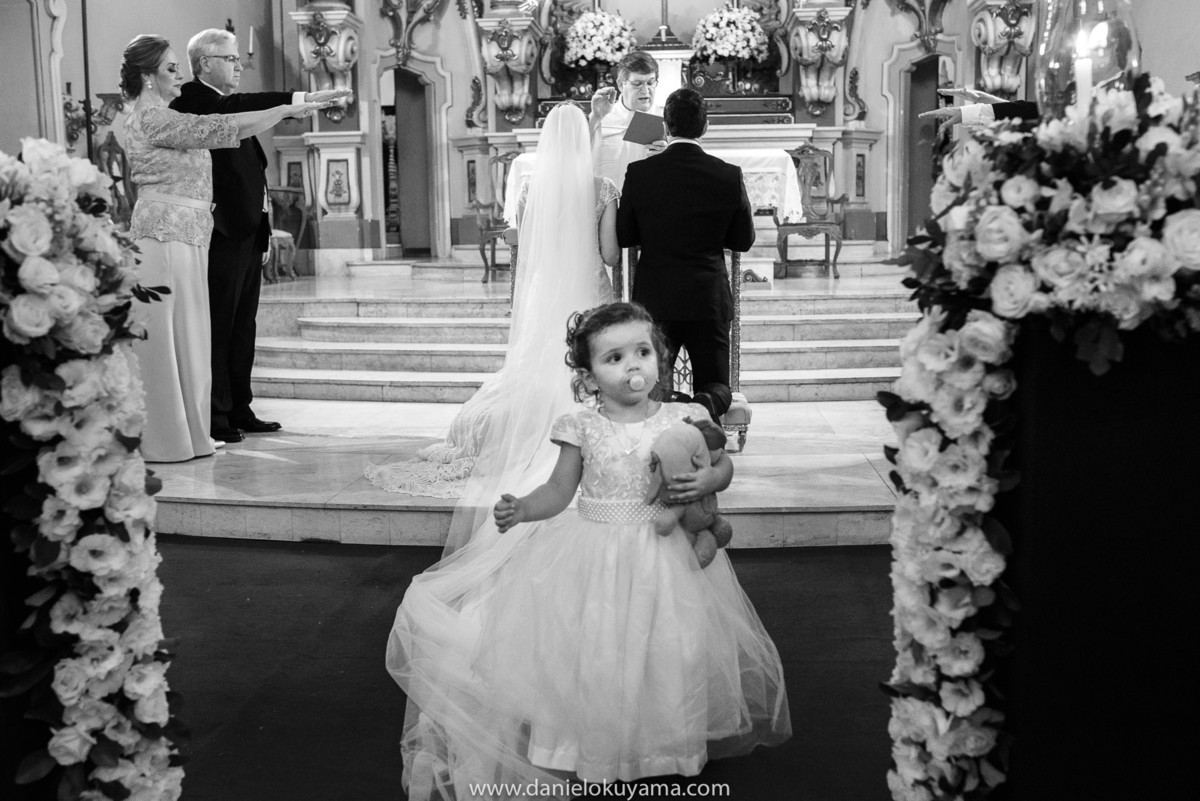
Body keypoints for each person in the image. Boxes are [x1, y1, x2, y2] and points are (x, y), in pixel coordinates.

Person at [386, 302, 790, 800]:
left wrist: (710, 477)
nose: (632, 366)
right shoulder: (580, 425)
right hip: (594, 554)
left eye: (642, 352)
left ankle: (665, 744)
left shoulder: (684, 416)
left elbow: (720, 465)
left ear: (661, 359)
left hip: (666, 557)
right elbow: (559, 491)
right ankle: (591, 744)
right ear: (590, 375)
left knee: (668, 644)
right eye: (613, 358)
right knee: (596, 649)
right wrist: (522, 509)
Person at [365, 103, 619, 546]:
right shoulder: (603, 188)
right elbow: (611, 254)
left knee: (545, 360)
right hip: (590, 292)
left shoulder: (528, 192)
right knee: (590, 363)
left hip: (544, 292)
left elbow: (523, 253)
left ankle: (539, 432)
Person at [120, 34, 322, 462]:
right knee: (172, 338)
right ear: (148, 77)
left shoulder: (160, 113)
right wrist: (285, 109)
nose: (179, 76)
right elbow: (223, 127)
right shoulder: (153, 118)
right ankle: (166, 437)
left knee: (191, 337)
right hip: (164, 236)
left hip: (189, 236)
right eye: (172, 69)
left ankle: (192, 432)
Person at [169, 29, 350, 444]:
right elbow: (234, 109)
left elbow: (253, 176)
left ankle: (240, 407)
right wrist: (294, 101)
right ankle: (215, 415)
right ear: (205, 63)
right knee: (220, 324)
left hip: (247, 232)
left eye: (237, 59)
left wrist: (264, 231)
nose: (238, 66)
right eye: (231, 59)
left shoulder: (228, 107)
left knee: (242, 327)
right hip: (221, 232)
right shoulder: (195, 100)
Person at [617, 87, 756, 423]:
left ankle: (667, 422)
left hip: (655, 299)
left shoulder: (640, 174)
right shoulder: (728, 175)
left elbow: (626, 236)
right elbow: (742, 240)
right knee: (717, 385)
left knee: (652, 383)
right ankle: (701, 412)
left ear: (666, 126)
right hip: (707, 299)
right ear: (704, 127)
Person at [589, 50, 667, 190]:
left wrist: (669, 156)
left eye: (650, 82)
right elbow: (577, 156)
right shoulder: (603, 116)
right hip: (607, 203)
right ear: (621, 84)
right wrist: (595, 119)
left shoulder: (665, 120)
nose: (645, 90)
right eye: (637, 83)